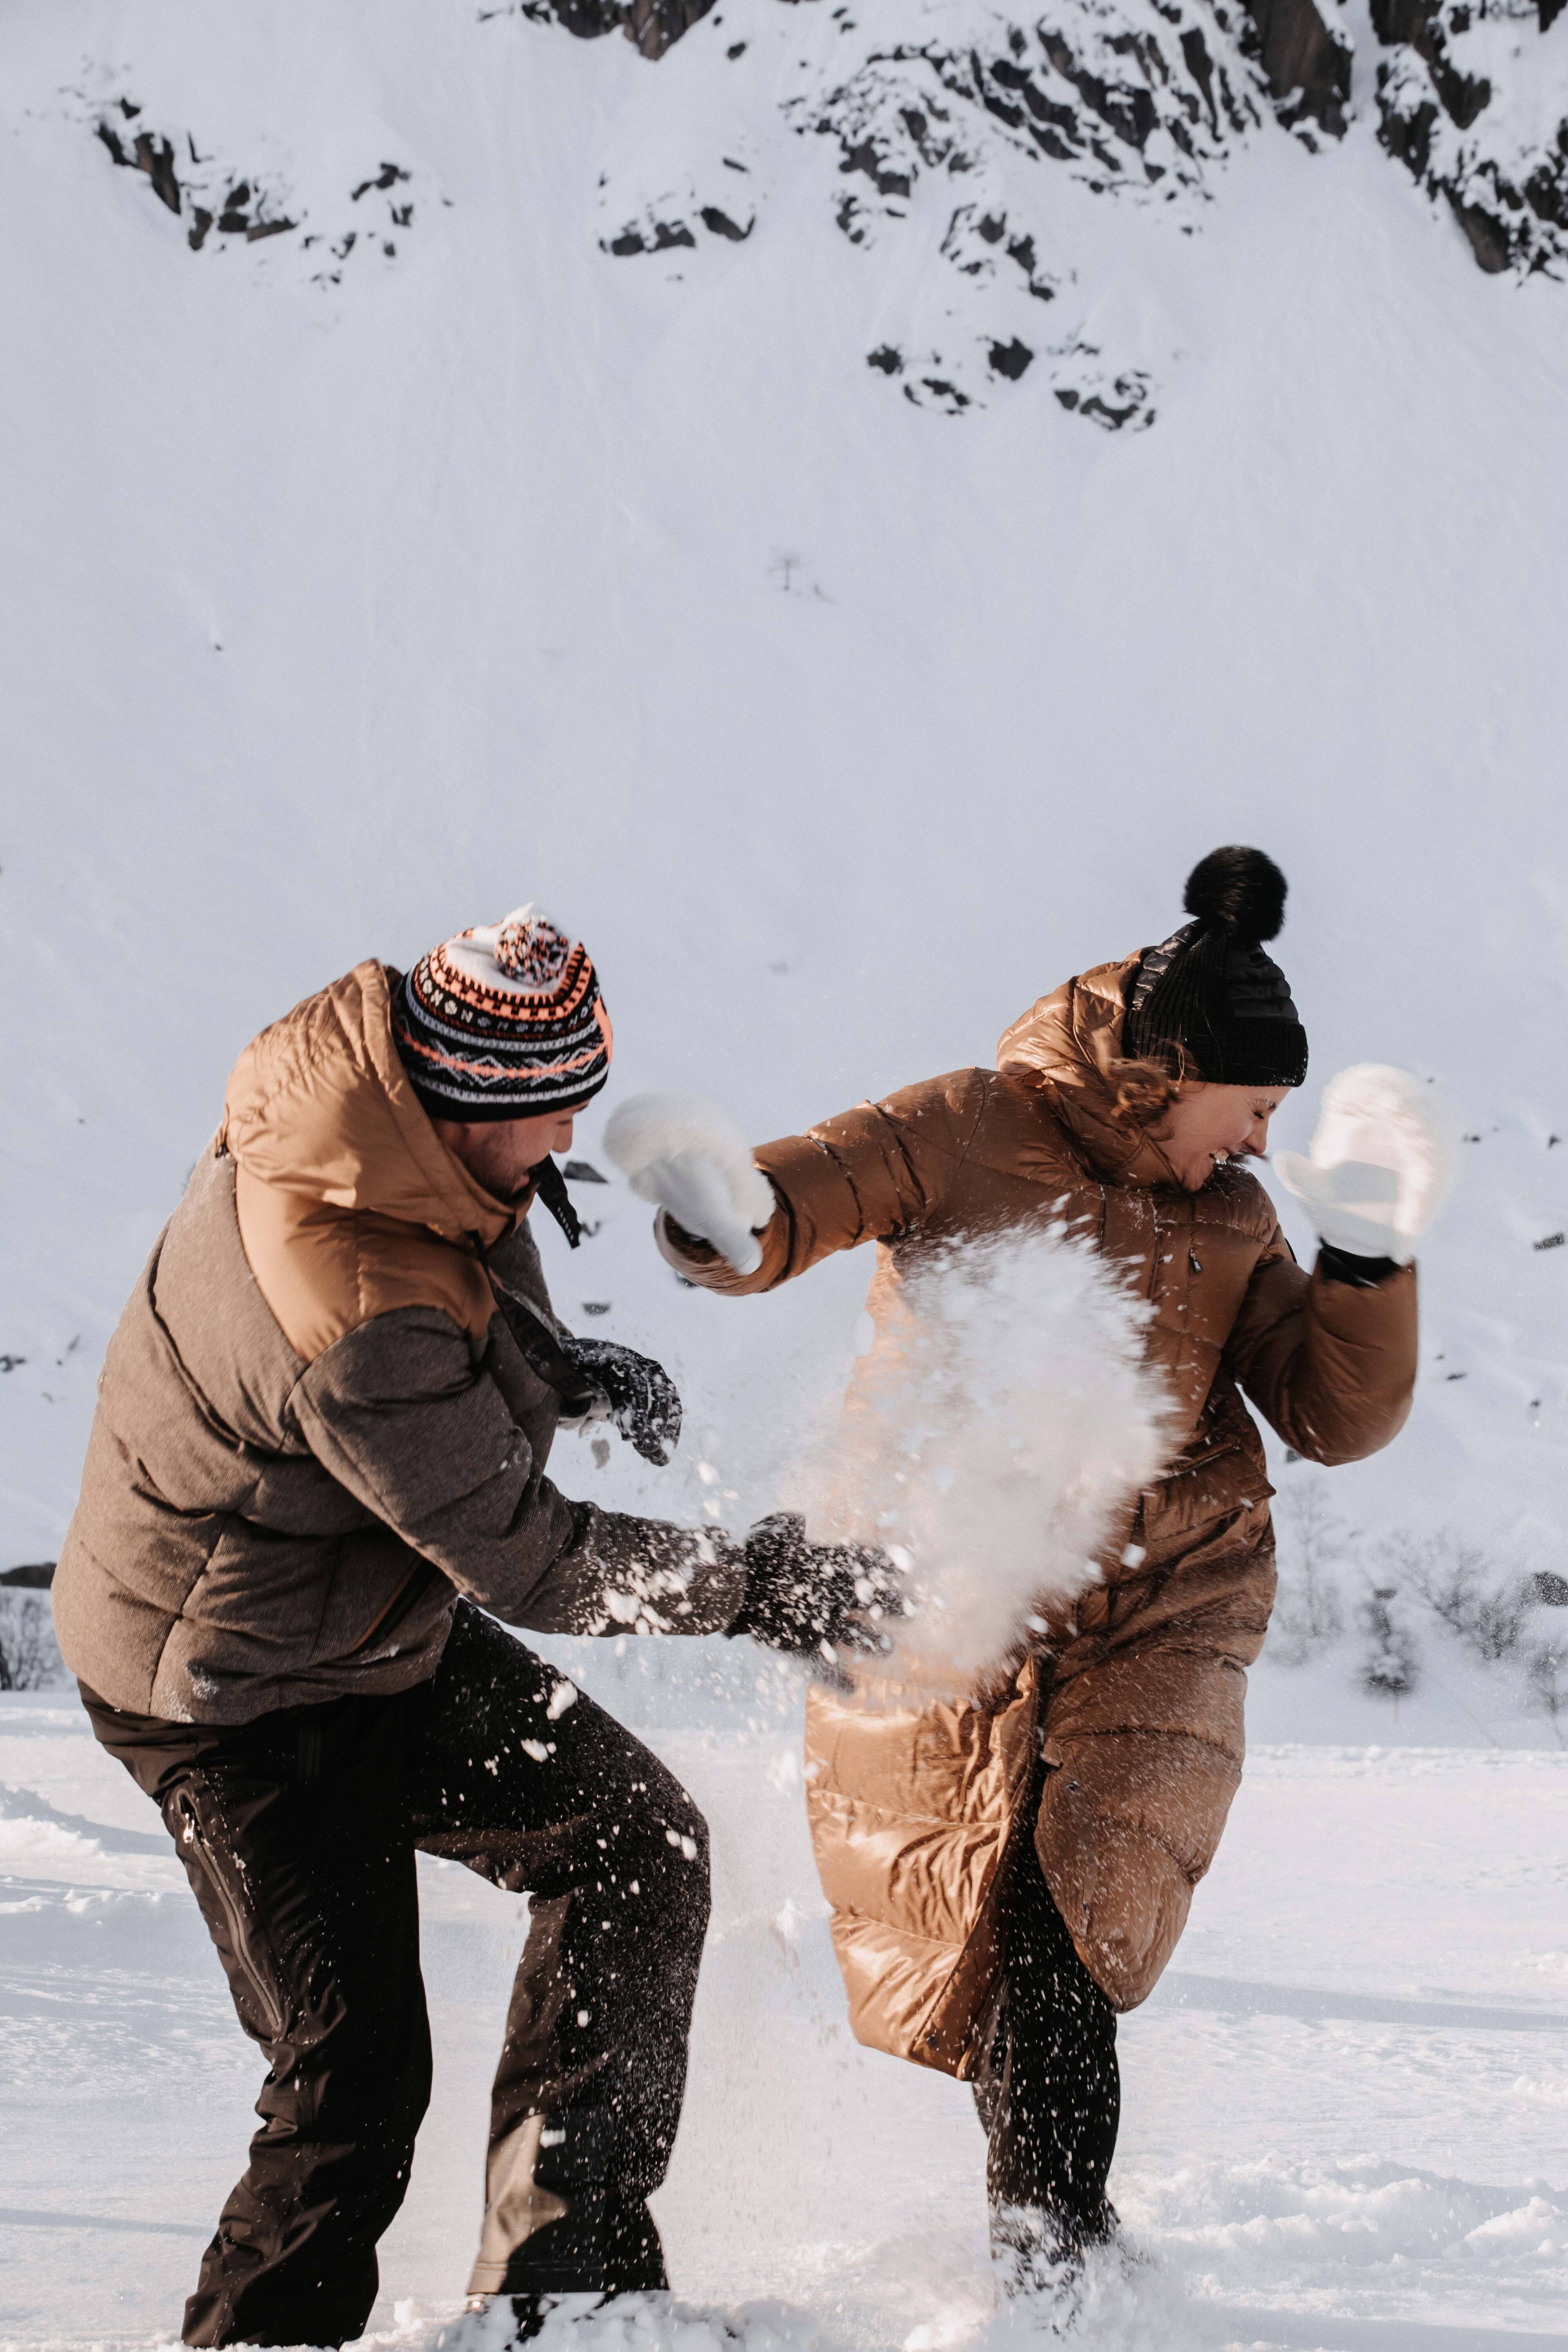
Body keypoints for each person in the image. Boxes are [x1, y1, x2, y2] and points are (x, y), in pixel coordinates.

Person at [51, 906, 894, 2350]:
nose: (569, 1137)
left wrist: (555, 1366)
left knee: (636, 1843)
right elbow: (524, 1554)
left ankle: (563, 2288)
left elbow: (453, 1282)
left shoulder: (373, 1133)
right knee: (352, 2082)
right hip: (240, 1692)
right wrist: (762, 1583)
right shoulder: (357, 1299)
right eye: (553, 1107)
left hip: (374, 1635)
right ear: (467, 1103)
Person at [618, 848, 1438, 2303]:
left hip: (1167, 1596)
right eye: (1249, 1110)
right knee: (979, 1930)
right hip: (958, 1584)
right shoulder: (968, 1125)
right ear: (1170, 1073)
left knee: (1082, 1918)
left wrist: (1367, 1264)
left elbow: (1329, 1415)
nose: (1257, 1145)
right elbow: (783, 1210)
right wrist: (718, 1219)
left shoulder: (1236, 1221)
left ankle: (1055, 2266)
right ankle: (1044, 2263)